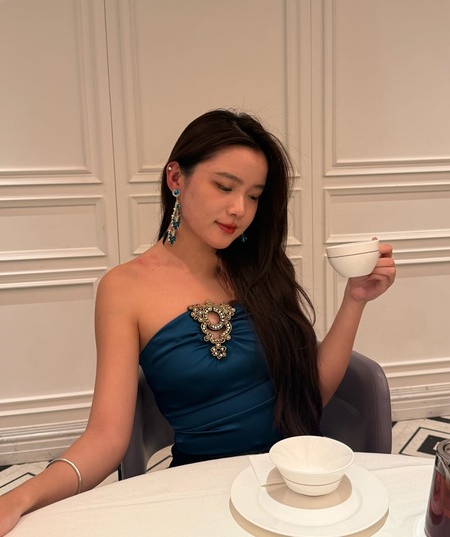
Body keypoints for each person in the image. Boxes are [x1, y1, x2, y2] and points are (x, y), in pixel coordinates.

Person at [0, 109, 396, 534]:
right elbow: (106, 438)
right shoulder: (124, 289)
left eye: (254, 196)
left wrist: (355, 300)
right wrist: (20, 497)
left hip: (293, 485)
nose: (238, 208)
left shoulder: (262, 272)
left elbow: (309, 395)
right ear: (176, 178)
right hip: (204, 495)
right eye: (224, 186)